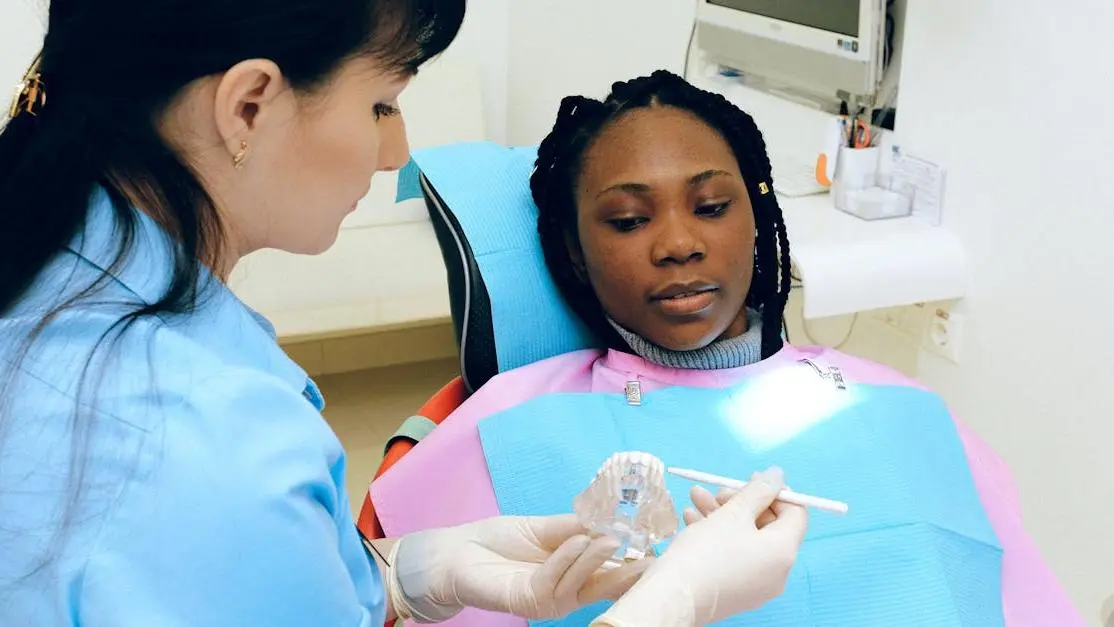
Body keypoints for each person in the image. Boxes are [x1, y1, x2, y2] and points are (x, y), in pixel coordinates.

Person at [0, 2, 802, 625]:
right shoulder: (210, 435)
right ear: (248, 106)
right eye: (383, 103)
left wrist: (405, 570)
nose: (397, 151)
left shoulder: (54, 290)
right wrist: (674, 600)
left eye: (712, 205)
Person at [368, 70, 1085, 626]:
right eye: (626, 219)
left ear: (757, 217)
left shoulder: (903, 409)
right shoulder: (503, 425)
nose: (679, 243)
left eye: (712, 207)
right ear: (574, 251)